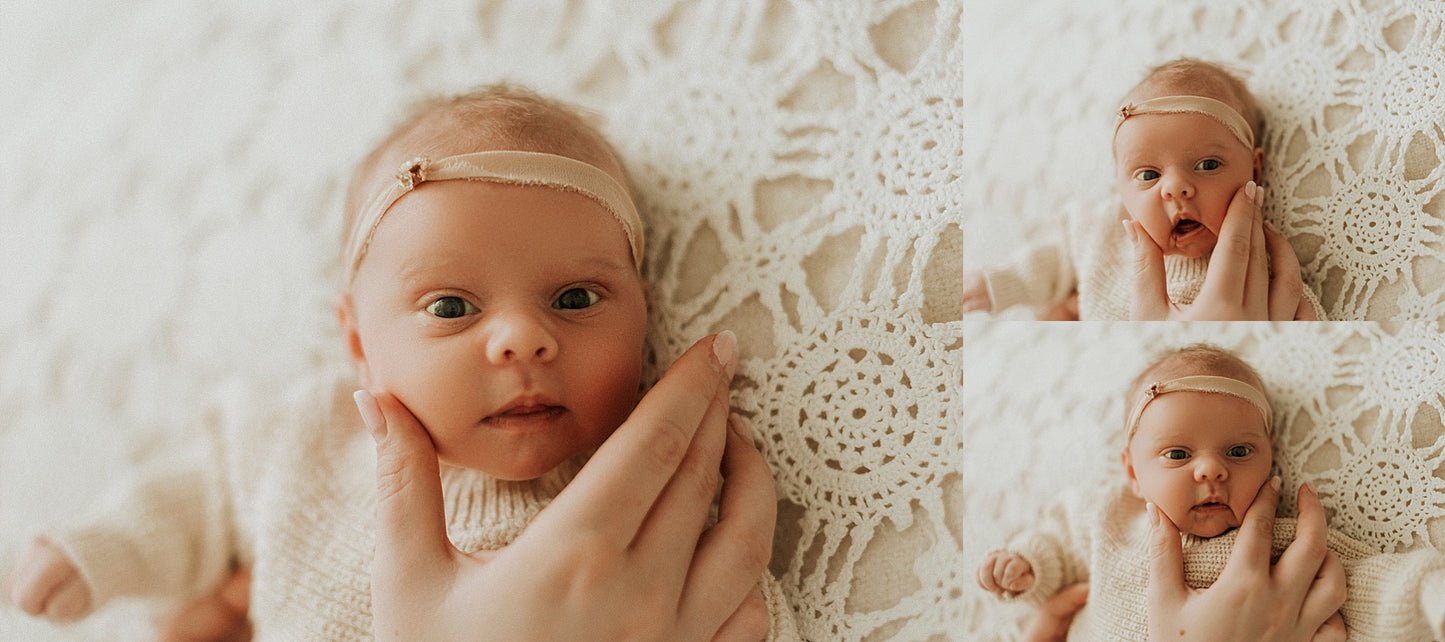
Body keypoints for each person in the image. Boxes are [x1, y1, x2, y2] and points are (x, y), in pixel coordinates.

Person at [2, 84, 798, 640]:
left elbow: (731, 608)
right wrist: (97, 548)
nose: (520, 339)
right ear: (356, 343)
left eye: (578, 298)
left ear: (646, 310)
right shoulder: (305, 435)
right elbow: (199, 490)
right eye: (452, 307)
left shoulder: (643, 501)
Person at [977, 345, 1445, 640]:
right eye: (1178, 455)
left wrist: (1430, 594)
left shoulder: (1274, 546)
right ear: (1132, 471)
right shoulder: (1111, 519)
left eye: (1239, 451)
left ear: (1271, 457)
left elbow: (1369, 582)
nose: (1211, 470)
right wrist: (1027, 565)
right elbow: (1059, 544)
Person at [961, 58, 1323, 320]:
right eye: (1149, 174)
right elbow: (1056, 260)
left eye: (1208, 165)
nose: (1176, 188)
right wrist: (1001, 283)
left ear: (1255, 170)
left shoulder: (1261, 266)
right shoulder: (1102, 227)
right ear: (1118, 184)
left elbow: (1300, 313)